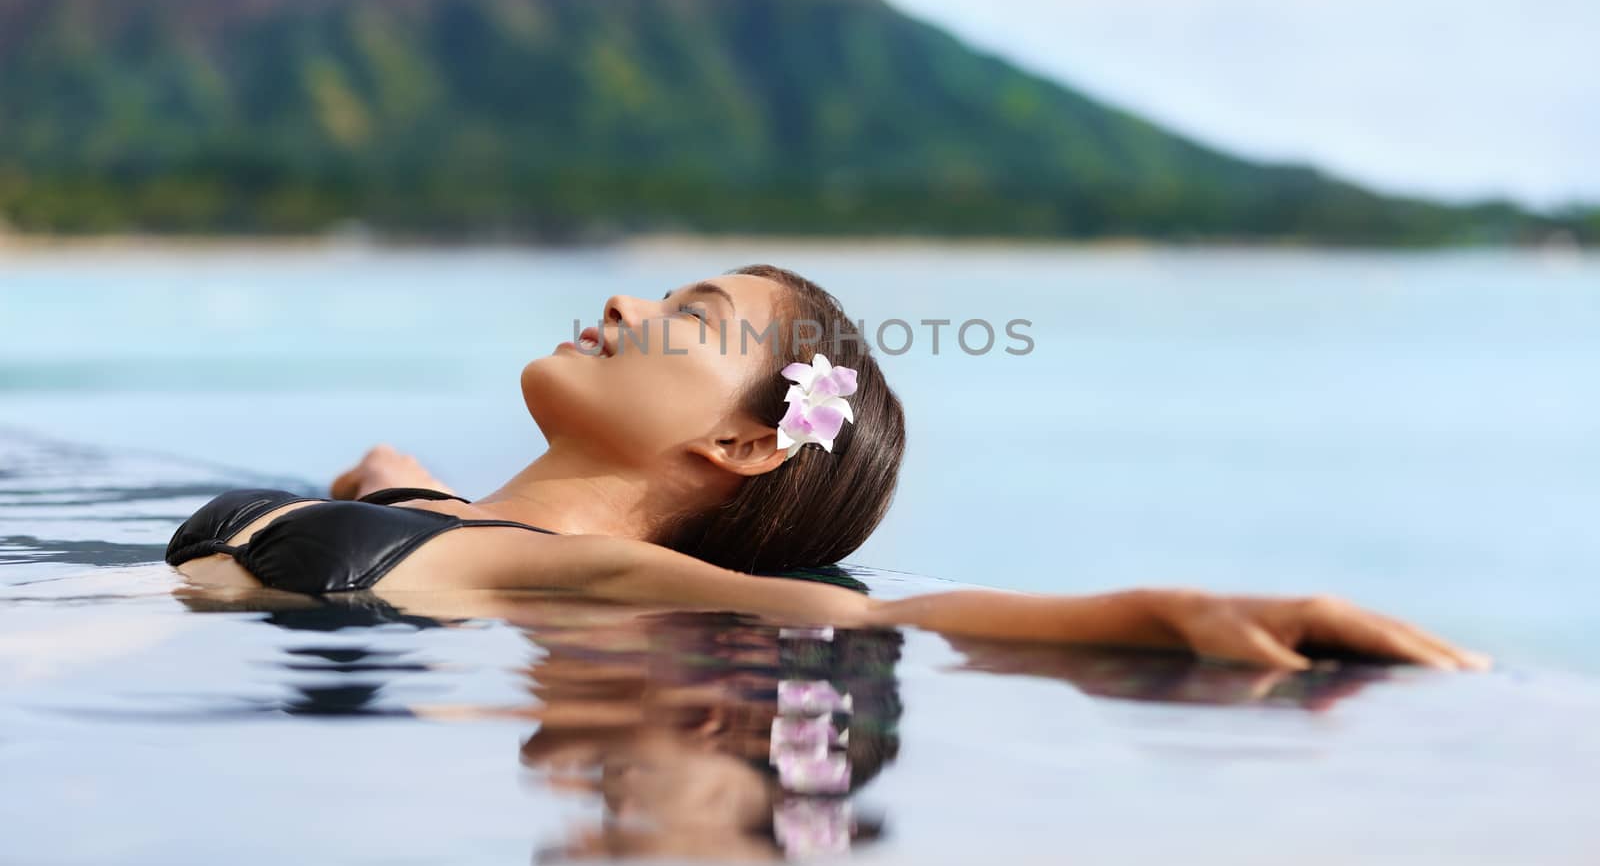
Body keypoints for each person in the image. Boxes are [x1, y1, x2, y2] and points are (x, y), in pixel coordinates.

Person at [166, 264, 1490, 672]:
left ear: (741, 442)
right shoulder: (430, 509)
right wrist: (391, 483)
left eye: (685, 318)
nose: (625, 308)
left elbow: (880, 615)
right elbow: (404, 499)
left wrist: (1168, 613)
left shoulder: (580, 569)